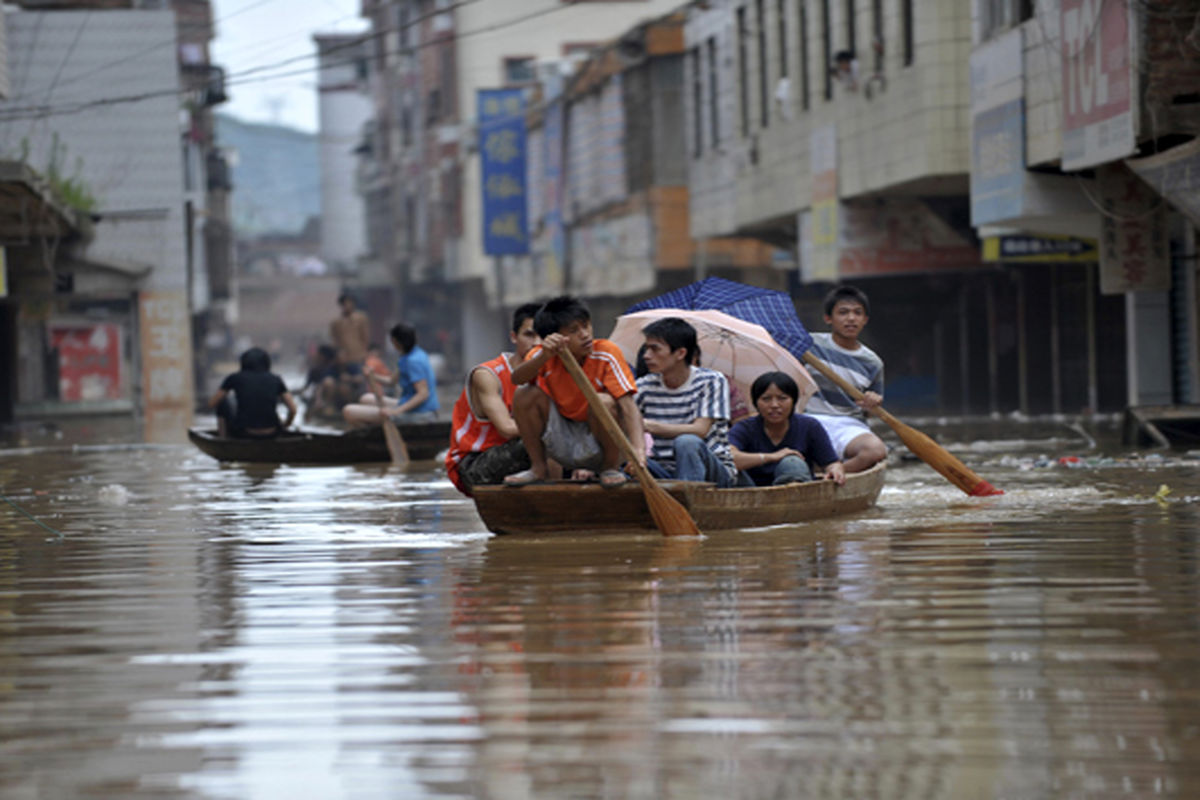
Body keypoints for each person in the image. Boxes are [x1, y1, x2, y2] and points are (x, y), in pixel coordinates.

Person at [503, 295, 644, 488]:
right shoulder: (542, 355)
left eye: (586, 326)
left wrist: (638, 451)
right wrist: (544, 356)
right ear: (554, 337)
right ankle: (538, 468)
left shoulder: (606, 352)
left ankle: (609, 468)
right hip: (563, 438)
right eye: (574, 331)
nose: (585, 334)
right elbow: (516, 379)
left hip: (603, 440)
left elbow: (629, 407)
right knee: (524, 393)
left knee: (603, 401)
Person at [445, 303, 542, 496]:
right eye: (529, 335)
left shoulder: (553, 372)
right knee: (549, 440)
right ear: (514, 337)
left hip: (522, 454)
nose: (536, 343)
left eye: (543, 336)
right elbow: (506, 429)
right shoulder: (488, 375)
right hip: (475, 465)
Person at [635, 317, 737, 487]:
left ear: (680, 353)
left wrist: (648, 425)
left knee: (687, 442)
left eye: (655, 349)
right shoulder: (644, 385)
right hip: (665, 470)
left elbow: (700, 430)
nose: (646, 356)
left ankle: (689, 503)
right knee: (626, 459)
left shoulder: (711, 380)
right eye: (646, 349)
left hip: (713, 473)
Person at [804, 285, 888, 472]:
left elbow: (870, 413)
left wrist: (873, 404)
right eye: (843, 312)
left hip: (848, 424)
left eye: (857, 313)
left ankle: (834, 472)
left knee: (875, 451)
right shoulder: (808, 345)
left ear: (865, 320)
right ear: (828, 318)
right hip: (809, 420)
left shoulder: (872, 363)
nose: (851, 318)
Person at [729, 371, 845, 486]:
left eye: (782, 398)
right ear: (756, 403)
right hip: (753, 495)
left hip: (799, 490)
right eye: (766, 399)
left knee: (792, 462)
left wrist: (835, 470)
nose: (774, 405)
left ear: (793, 401)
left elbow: (831, 462)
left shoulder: (809, 426)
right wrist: (771, 457)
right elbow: (728, 458)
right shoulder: (745, 427)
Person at [343, 323, 440, 424]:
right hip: (410, 406)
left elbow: (423, 394)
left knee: (348, 411)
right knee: (365, 398)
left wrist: (396, 411)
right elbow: (391, 381)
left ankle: (376, 436)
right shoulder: (408, 355)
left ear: (395, 342)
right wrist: (372, 376)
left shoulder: (413, 361)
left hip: (422, 414)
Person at [208, 346, 297, 438]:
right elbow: (293, 409)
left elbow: (212, 403)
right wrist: (286, 425)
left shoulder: (234, 378)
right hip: (272, 432)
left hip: (244, 432)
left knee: (222, 402)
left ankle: (223, 440)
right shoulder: (276, 379)